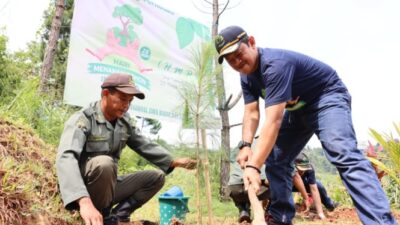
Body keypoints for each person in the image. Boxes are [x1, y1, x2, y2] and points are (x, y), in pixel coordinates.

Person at [214, 25, 397, 225]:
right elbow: (251, 111)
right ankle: (280, 218)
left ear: (251, 42)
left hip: (326, 97)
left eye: (239, 54)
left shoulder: (274, 65)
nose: (237, 62)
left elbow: (273, 121)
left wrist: (254, 166)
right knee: (276, 157)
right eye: (231, 61)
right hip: (298, 108)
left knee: (342, 152)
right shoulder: (246, 76)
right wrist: (246, 145)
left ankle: (380, 222)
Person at [56, 73, 197, 225]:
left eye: (130, 101)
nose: (126, 105)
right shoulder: (83, 119)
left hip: (110, 186)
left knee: (157, 177)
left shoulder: (124, 122)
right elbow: (66, 158)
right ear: (105, 94)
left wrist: (173, 161)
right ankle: (98, 213)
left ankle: (117, 216)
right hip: (84, 189)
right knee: (105, 163)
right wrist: (84, 201)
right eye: (123, 99)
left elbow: (143, 144)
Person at [228, 137, 269, 223]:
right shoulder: (266, 143)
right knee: (276, 186)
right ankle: (270, 212)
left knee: (239, 186)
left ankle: (243, 209)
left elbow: (232, 160)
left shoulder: (243, 145)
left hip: (234, 188)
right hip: (255, 186)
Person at [292, 153, 338, 219]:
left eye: (304, 169)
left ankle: (330, 205)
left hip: (303, 184)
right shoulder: (288, 167)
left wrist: (320, 213)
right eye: (300, 169)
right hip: (288, 183)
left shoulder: (310, 169)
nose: (303, 171)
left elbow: (314, 189)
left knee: (318, 185)